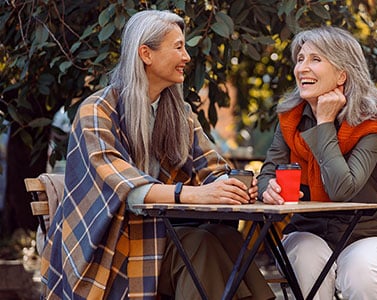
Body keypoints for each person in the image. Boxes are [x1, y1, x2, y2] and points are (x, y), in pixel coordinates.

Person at [40, 10, 275, 300]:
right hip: (109, 251)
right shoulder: (97, 111)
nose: (187, 57)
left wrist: (233, 185)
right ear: (146, 54)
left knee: (224, 237)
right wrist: (198, 195)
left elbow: (211, 167)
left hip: (161, 237)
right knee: (201, 245)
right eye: (178, 47)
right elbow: (125, 188)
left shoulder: (180, 114)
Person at [257, 26, 377, 299]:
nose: (302, 68)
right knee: (305, 260)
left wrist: (324, 123)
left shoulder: (372, 121)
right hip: (308, 230)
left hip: (368, 233)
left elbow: (341, 189)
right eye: (300, 59)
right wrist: (268, 188)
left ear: (342, 74)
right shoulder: (290, 119)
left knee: (363, 272)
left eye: (315, 59)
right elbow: (268, 172)